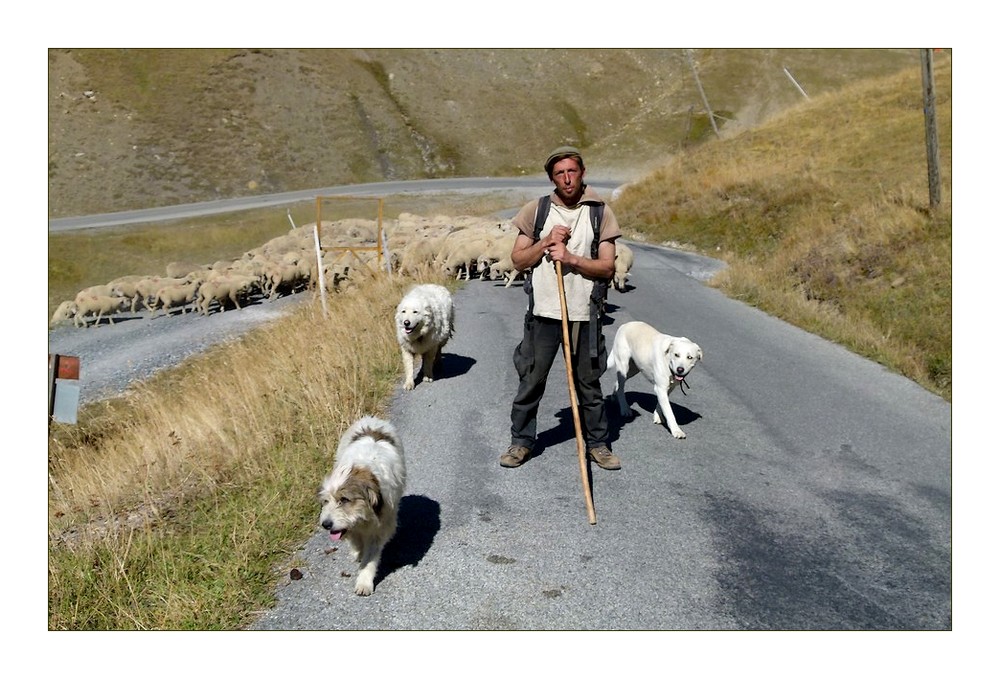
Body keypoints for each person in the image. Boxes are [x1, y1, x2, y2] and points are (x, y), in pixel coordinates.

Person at [500, 146, 623, 471]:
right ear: (552, 178)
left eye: (572, 171)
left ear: (582, 172)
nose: (567, 179)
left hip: (584, 314)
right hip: (543, 314)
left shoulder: (600, 212)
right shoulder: (536, 210)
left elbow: (608, 268)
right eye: (559, 174)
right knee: (531, 380)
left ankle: (598, 444)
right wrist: (543, 242)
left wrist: (570, 258)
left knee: (588, 383)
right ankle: (521, 442)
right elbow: (518, 259)